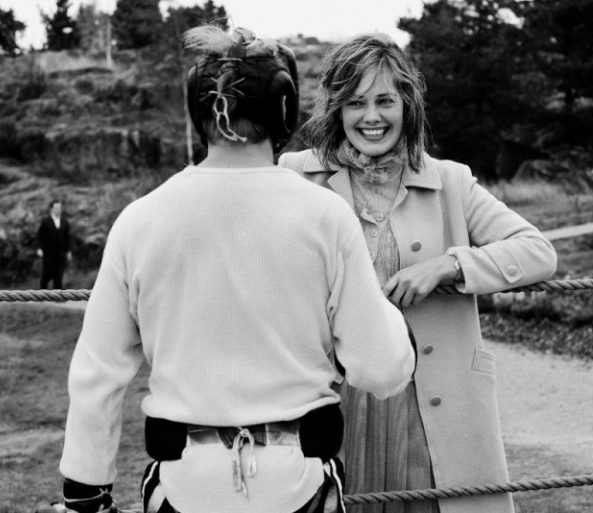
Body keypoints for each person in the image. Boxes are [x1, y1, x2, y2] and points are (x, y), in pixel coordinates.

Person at [57, 26, 415, 513]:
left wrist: (85, 491)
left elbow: (97, 372)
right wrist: (396, 327)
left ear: (197, 109)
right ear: (284, 108)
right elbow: (382, 370)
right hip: (299, 486)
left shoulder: (139, 219)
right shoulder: (325, 216)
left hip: (181, 487)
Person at [278, 33, 557, 513]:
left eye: (385, 100)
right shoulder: (295, 176)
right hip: (334, 401)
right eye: (356, 102)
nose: (371, 117)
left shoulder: (451, 181)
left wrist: (449, 264)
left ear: (407, 104)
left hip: (432, 406)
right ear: (337, 109)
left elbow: (538, 251)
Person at [36, 199, 72, 289]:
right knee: (46, 276)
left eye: (59, 208)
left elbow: (67, 238)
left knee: (58, 277)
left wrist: (68, 251)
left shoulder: (64, 222)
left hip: (61, 255)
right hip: (48, 254)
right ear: (51, 209)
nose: (58, 210)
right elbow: (40, 236)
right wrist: (39, 248)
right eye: (56, 208)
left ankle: (58, 295)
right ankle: (42, 294)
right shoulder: (45, 222)